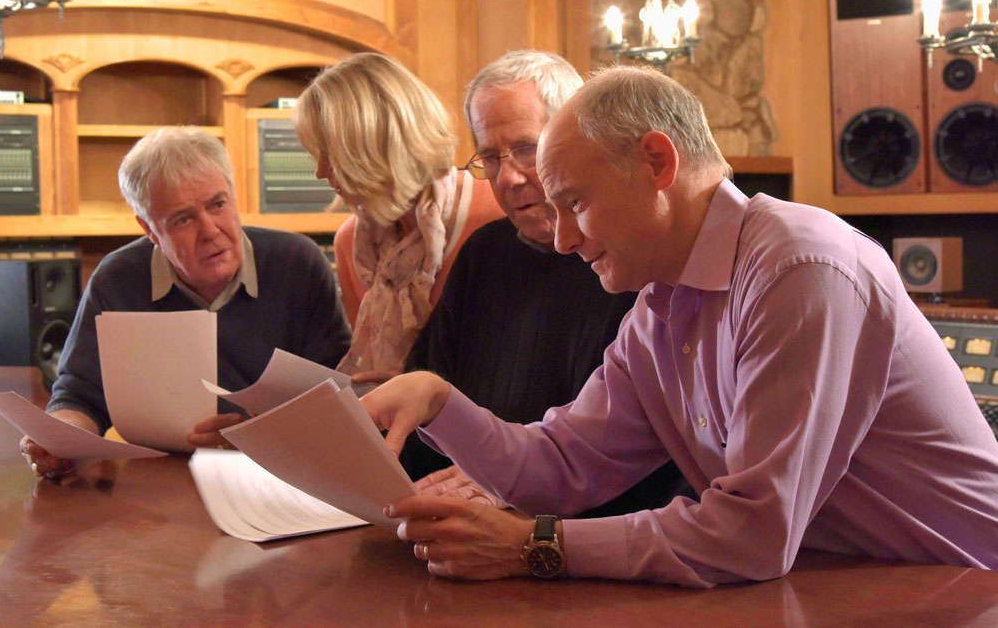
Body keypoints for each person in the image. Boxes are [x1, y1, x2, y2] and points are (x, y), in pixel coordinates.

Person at [362, 65, 998, 585]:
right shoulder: (659, 310)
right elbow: (562, 467)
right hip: (844, 587)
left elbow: (751, 535)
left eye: (576, 202)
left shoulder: (800, 265)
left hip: (961, 590)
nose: (561, 240)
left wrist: (536, 545)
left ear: (657, 163)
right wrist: (438, 401)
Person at [403, 50, 692, 517]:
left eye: (523, 148)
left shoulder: (634, 255)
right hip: (476, 509)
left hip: (597, 524)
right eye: (491, 157)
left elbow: (649, 452)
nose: (510, 177)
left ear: (572, 137)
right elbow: (433, 396)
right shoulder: (483, 253)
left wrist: (506, 485)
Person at [20, 128, 350, 478]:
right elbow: (78, 396)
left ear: (235, 198)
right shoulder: (117, 279)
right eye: (183, 218)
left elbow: (340, 396)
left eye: (218, 204)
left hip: (282, 473)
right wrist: (56, 440)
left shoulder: (297, 263)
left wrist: (258, 434)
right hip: (160, 485)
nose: (209, 230)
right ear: (149, 229)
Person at [294, 52, 503, 382]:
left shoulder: (496, 214)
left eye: (331, 152)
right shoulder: (351, 243)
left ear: (380, 142)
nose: (320, 172)